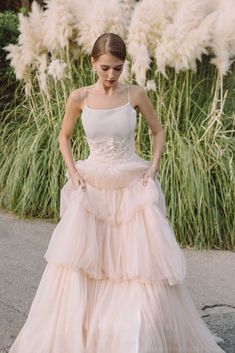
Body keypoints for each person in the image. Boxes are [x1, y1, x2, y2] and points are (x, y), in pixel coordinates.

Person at [9, 32, 226, 353]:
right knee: (84, 263)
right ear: (93, 63)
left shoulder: (135, 94)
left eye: (118, 68)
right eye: (105, 68)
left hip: (130, 184)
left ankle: (138, 331)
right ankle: (86, 330)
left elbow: (158, 130)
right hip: (92, 185)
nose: (111, 75)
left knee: (137, 266)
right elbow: (64, 137)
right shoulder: (78, 97)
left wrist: (152, 169)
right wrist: (72, 171)